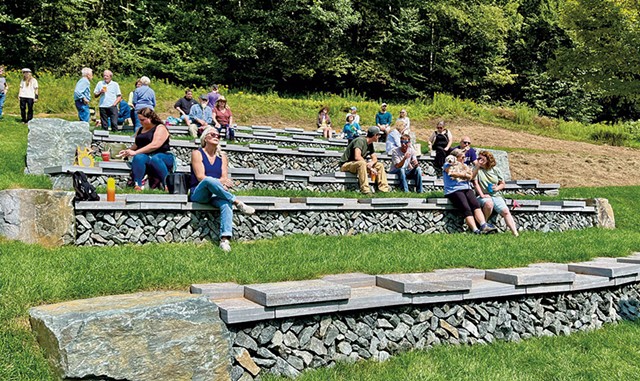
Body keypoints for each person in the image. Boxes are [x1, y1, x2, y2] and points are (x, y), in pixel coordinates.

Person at [190, 126, 256, 252]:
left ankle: (225, 240)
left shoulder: (223, 156)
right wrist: (220, 182)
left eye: (218, 135)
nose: (216, 137)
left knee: (226, 203)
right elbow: (200, 177)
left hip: (216, 193)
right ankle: (238, 202)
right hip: (199, 192)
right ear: (205, 138)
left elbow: (225, 177)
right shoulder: (197, 153)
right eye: (212, 135)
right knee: (209, 180)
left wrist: (220, 183)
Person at [118, 108, 174, 191]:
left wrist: (135, 152)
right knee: (138, 157)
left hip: (163, 156)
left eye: (142, 120)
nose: (140, 122)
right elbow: (137, 145)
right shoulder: (140, 129)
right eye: (139, 120)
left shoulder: (160, 127)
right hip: (147, 156)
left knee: (155, 159)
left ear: (150, 118)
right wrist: (128, 151)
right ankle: (138, 184)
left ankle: (167, 184)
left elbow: (155, 145)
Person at [443, 148, 497, 234]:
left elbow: (471, 176)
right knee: (466, 208)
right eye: (462, 157)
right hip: (454, 190)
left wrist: (477, 166)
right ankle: (475, 230)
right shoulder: (448, 164)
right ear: (456, 158)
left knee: (475, 205)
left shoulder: (464, 165)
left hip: (466, 188)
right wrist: (466, 175)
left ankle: (483, 225)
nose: (464, 159)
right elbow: (452, 173)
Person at [473, 150, 519, 236]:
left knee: (505, 211)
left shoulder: (495, 170)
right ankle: (484, 226)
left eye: (481, 158)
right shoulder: (477, 170)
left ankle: (515, 233)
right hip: (484, 195)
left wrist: (497, 188)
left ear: (487, 159)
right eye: (478, 158)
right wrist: (482, 195)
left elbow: (502, 183)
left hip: (496, 195)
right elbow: (475, 183)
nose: (479, 160)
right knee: (489, 204)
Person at [339, 126, 390, 194]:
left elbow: (374, 158)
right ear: (375, 135)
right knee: (362, 163)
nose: (379, 137)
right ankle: (365, 189)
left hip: (358, 164)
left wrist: (371, 163)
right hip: (346, 164)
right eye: (378, 135)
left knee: (379, 165)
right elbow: (357, 156)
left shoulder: (370, 144)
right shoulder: (360, 141)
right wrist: (370, 168)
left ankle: (383, 189)